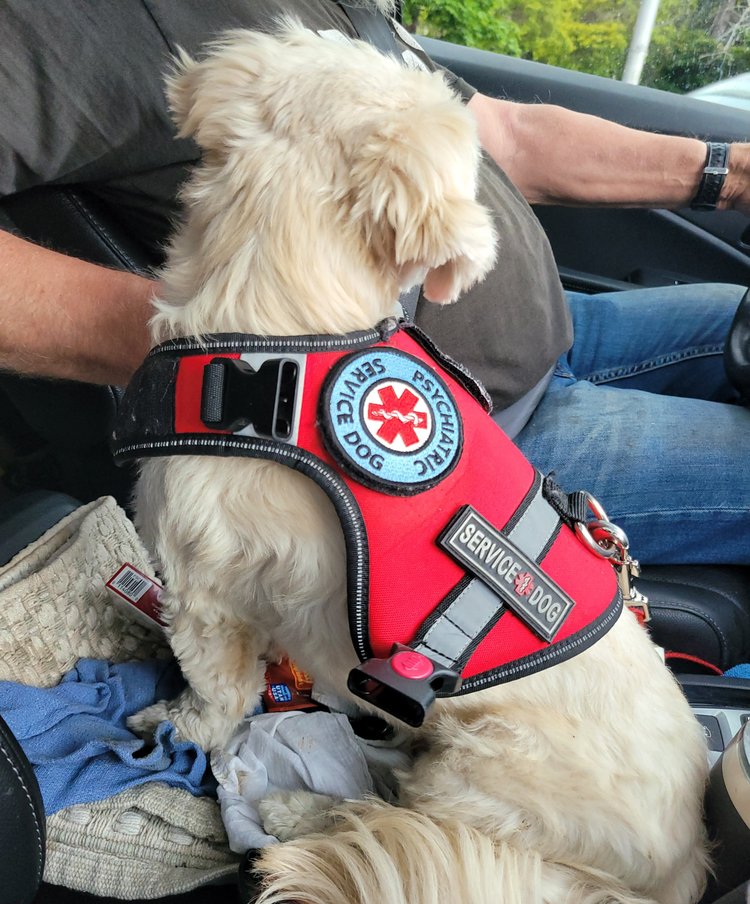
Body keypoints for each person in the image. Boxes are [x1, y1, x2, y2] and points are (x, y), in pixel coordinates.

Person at [1, 0, 749, 565]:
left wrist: (732, 175)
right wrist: (206, 355)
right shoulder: (71, 22)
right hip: (437, 442)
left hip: (561, 335)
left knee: (731, 315)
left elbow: (506, 136)